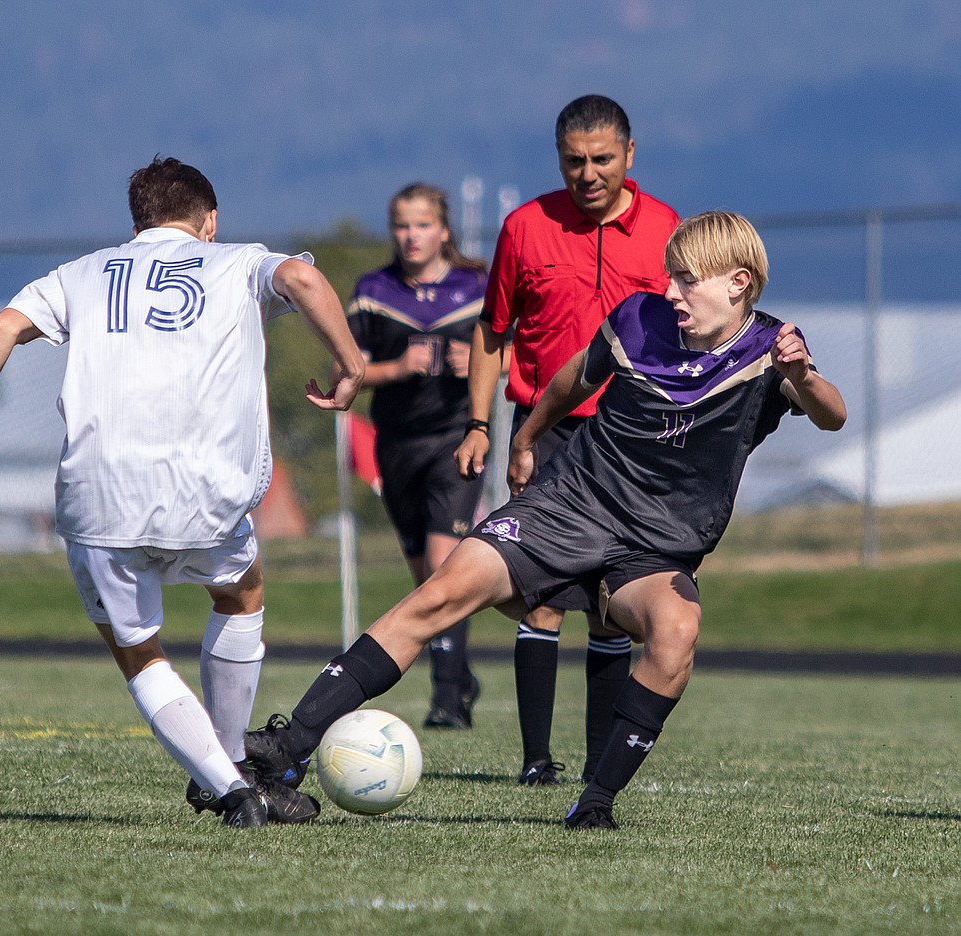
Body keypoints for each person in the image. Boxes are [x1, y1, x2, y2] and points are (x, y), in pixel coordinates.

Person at [244, 210, 847, 830]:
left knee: (676, 633)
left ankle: (595, 803)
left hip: (655, 550)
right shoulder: (637, 320)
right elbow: (570, 379)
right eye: (670, 277)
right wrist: (527, 438)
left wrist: (800, 374)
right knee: (439, 593)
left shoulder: (772, 352)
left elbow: (832, 413)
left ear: (737, 283)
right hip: (568, 506)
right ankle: (286, 748)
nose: (670, 292)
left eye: (686, 280)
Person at [0, 156, 366, 829]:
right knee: (241, 594)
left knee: (140, 652)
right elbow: (300, 275)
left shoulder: (84, 274)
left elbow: (2, 326)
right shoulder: (237, 260)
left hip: (98, 494)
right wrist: (352, 364)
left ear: (139, 222)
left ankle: (227, 786)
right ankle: (232, 767)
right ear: (209, 222)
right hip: (205, 490)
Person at [454, 94, 680, 786]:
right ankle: (534, 762)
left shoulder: (667, 229)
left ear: (630, 156)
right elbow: (493, 332)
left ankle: (595, 767)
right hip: (544, 433)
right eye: (574, 161)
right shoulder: (525, 227)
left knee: (613, 610)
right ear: (559, 159)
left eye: (602, 159)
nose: (588, 173)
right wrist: (480, 424)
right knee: (542, 596)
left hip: (632, 442)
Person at [346, 183, 490, 729]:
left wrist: (473, 362)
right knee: (423, 578)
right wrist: (398, 368)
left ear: (444, 230)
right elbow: (351, 375)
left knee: (441, 566)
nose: (412, 236)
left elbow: (510, 355)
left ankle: (447, 700)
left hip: (457, 439)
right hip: (396, 444)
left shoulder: (476, 286)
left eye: (423, 224)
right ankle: (463, 674)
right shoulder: (373, 290)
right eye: (402, 226)